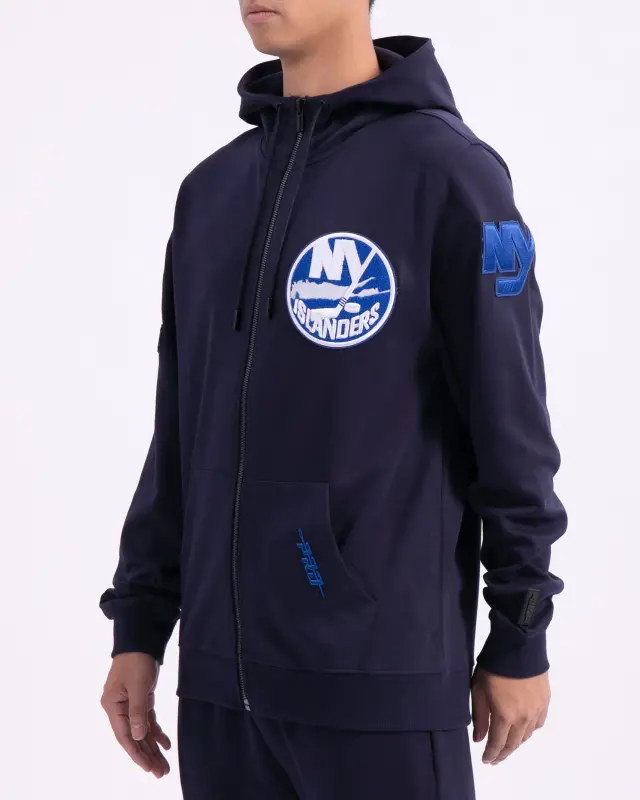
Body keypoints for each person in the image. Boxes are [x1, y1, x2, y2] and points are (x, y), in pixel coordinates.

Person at [99, 1, 568, 798]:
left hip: (377, 682)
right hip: (220, 697)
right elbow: (179, 429)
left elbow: (511, 423)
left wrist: (520, 631)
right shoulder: (210, 192)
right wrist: (139, 627)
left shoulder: (452, 174)